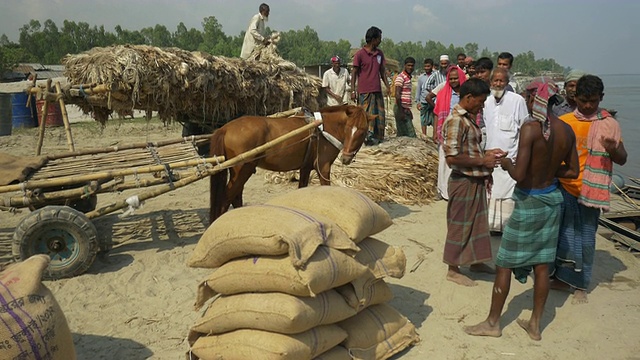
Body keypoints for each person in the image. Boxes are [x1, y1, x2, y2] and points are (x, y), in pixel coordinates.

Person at [464, 77, 579, 341]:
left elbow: (518, 174)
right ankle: (535, 325)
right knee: (542, 264)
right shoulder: (565, 130)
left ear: (533, 98)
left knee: (504, 264)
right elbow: (572, 171)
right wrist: (549, 170)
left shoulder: (531, 129)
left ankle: (493, 322)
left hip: (529, 201)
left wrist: (506, 163)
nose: (525, 102)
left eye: (528, 97)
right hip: (551, 200)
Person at [552, 74, 628, 304]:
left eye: (593, 101)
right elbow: (555, 156)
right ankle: (563, 278)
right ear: (576, 97)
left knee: (586, 239)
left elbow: (622, 159)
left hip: (592, 192)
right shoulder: (565, 122)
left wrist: (613, 149)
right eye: (584, 100)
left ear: (601, 98)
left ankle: (581, 285)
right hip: (566, 187)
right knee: (563, 236)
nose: (587, 106)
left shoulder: (610, 125)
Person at [442, 78, 507, 287]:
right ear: (468, 98)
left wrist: (488, 154)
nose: (481, 106)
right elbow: (452, 158)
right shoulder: (456, 121)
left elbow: (468, 149)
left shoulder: (468, 120)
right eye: (479, 102)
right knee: (460, 225)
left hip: (475, 179)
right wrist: (483, 160)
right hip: (463, 181)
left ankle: (476, 262)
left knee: (477, 224)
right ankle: (453, 269)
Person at [483, 68, 529, 233]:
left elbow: (525, 129)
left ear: (507, 83)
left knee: (507, 195)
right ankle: (492, 227)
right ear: (490, 82)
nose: (497, 83)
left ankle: (506, 228)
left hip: (510, 159)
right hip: (490, 158)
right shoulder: (487, 102)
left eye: (501, 81)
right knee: (492, 192)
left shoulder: (517, 101)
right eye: (495, 80)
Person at [427, 66, 466, 200]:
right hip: (445, 130)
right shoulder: (443, 93)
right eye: (451, 78)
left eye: (456, 78)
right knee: (443, 161)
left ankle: (454, 190)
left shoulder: (466, 94)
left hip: (461, 130)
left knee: (458, 161)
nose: (454, 81)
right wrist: (435, 132)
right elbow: (437, 112)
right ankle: (441, 190)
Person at [351, 26, 390, 145]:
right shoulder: (360, 54)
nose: (380, 41)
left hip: (377, 91)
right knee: (366, 116)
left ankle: (378, 138)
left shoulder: (379, 54)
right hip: (365, 92)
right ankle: (366, 139)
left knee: (379, 115)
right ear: (373, 39)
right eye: (379, 38)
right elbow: (354, 73)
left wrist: (388, 86)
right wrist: (353, 90)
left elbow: (382, 71)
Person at [394, 57, 417, 137]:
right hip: (400, 108)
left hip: (405, 109)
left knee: (402, 134)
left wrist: (408, 110)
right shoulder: (401, 77)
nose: (410, 67)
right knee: (411, 135)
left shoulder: (408, 78)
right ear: (405, 66)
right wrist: (401, 111)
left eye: (412, 66)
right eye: (408, 65)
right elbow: (397, 95)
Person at [416, 58, 435, 136]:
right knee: (423, 119)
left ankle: (435, 136)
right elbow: (418, 90)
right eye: (425, 66)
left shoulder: (435, 75)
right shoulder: (421, 77)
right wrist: (417, 102)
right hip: (423, 101)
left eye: (428, 66)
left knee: (434, 119)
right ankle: (424, 136)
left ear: (432, 66)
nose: (427, 68)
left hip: (433, 101)